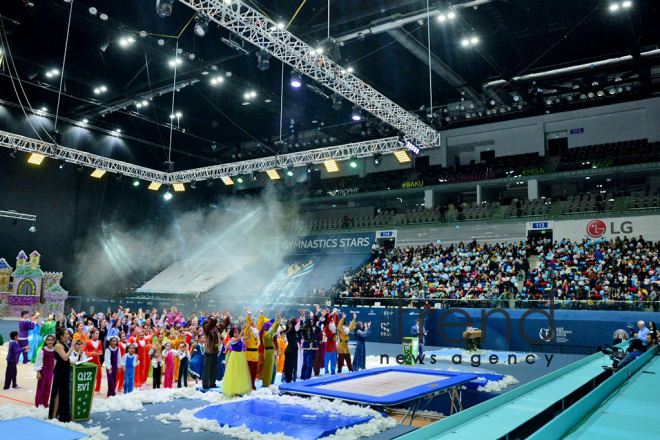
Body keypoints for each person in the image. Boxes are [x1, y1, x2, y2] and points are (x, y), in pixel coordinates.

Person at [49, 328, 76, 422]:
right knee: (58, 392)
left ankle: (60, 413)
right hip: (60, 371)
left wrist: (76, 362)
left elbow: (66, 360)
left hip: (65, 369)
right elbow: (64, 357)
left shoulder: (64, 345)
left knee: (63, 392)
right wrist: (72, 346)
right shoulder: (58, 345)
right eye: (67, 334)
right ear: (61, 336)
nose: (69, 336)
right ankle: (54, 415)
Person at [202, 311, 231, 389]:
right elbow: (209, 326)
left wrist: (227, 317)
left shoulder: (216, 328)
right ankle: (205, 384)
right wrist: (215, 318)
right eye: (212, 318)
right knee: (207, 368)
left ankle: (212, 383)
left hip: (215, 351)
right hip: (208, 351)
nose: (214, 320)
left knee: (214, 368)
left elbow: (223, 325)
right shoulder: (206, 327)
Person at [221, 328, 252, 396]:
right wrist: (242, 331)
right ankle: (233, 388)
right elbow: (237, 339)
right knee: (234, 372)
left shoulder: (241, 339)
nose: (237, 334)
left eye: (238, 333)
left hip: (240, 355)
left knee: (240, 372)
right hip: (234, 356)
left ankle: (240, 388)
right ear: (233, 334)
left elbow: (249, 336)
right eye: (235, 333)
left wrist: (248, 329)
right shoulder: (232, 340)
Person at [34, 334, 56, 407]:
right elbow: (39, 361)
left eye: (51, 340)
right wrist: (38, 372)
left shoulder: (55, 350)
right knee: (41, 387)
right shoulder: (42, 350)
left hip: (51, 371)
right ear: (45, 341)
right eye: (48, 340)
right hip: (43, 371)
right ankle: (38, 402)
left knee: (48, 387)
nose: (50, 341)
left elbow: (55, 361)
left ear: (54, 341)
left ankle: (45, 402)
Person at [261, 312, 281, 387]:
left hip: (270, 351)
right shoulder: (266, 334)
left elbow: (273, 328)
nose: (271, 327)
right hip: (269, 351)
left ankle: (270, 382)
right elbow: (274, 329)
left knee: (272, 367)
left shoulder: (266, 333)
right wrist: (278, 321)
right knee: (268, 368)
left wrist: (278, 319)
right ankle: (267, 383)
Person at [84, 329, 103, 394]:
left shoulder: (99, 342)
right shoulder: (88, 342)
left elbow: (100, 350)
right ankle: (89, 389)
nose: (98, 335)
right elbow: (84, 351)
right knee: (90, 375)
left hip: (97, 360)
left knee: (99, 375)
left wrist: (100, 352)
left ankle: (97, 389)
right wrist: (91, 353)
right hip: (90, 361)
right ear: (92, 334)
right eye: (96, 333)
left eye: (98, 333)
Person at [284, 318, 300, 383]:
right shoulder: (288, 332)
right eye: (288, 324)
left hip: (294, 349)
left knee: (294, 364)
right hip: (290, 350)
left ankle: (293, 378)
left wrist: (302, 317)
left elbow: (297, 326)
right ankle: (288, 378)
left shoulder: (294, 331)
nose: (289, 325)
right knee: (288, 365)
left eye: (290, 323)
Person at [324, 311, 339, 375]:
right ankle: (326, 371)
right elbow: (329, 318)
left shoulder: (332, 325)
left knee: (334, 359)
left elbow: (336, 321)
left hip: (333, 344)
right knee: (327, 359)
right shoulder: (326, 327)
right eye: (331, 319)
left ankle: (333, 371)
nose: (332, 320)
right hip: (329, 344)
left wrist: (336, 314)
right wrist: (333, 312)